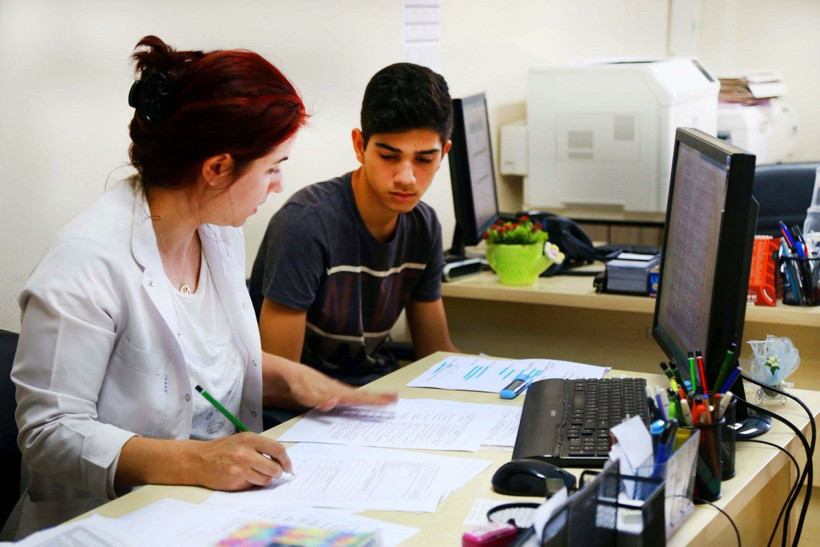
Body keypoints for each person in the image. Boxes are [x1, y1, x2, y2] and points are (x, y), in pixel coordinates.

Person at [3, 36, 395, 540]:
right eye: (273, 167)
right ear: (217, 169)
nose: (278, 186)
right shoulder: (86, 263)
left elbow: (195, 363)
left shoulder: (217, 233)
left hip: (212, 508)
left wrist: (296, 380)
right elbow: (49, 432)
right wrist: (195, 460)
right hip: (110, 522)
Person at [249, 62, 459, 416]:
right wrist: (362, 400)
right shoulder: (307, 224)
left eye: (424, 159)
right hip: (300, 416)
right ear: (360, 146)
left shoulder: (424, 225)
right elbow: (275, 386)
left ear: (444, 155)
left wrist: (514, 385)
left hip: (374, 403)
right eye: (389, 156)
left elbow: (435, 351)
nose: (407, 177)